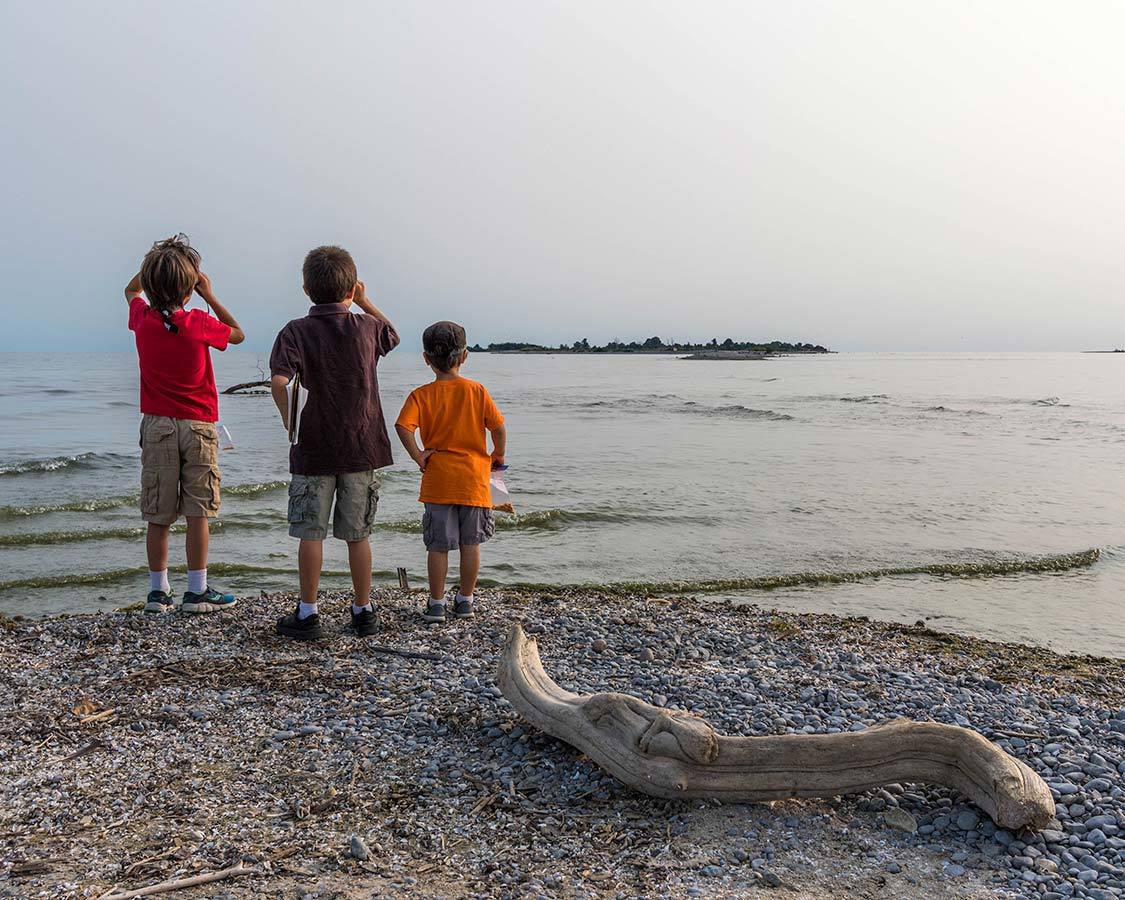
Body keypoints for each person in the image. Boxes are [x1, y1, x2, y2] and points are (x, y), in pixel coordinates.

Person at [269, 246, 399, 640]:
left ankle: (308, 612)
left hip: (314, 446)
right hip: (362, 445)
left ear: (307, 288)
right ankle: (363, 610)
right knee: (358, 534)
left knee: (311, 533)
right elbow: (391, 334)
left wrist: (288, 422)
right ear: (351, 287)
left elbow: (278, 382)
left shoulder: (295, 331)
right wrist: (363, 299)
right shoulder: (367, 327)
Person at [125, 234, 244, 614]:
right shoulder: (196, 323)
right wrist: (209, 294)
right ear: (190, 288)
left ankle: (158, 592)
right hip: (198, 426)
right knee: (198, 511)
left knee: (158, 514)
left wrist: (155, 267)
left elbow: (130, 289)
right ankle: (197, 589)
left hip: (157, 425)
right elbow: (238, 334)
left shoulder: (142, 320)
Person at [395, 321, 506, 622]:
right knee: (471, 544)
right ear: (465, 356)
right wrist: (498, 456)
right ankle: (466, 600)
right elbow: (498, 427)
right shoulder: (477, 391)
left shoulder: (421, 395)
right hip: (473, 480)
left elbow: (403, 427)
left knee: (439, 546)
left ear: (426, 359)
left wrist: (419, 455)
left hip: (439, 480)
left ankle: (435, 603)